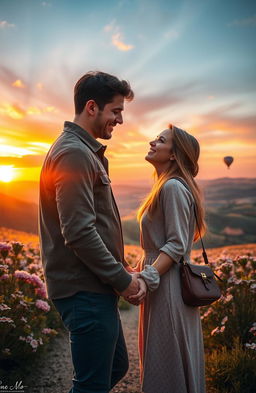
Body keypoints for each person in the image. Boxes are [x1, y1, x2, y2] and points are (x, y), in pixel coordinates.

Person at [39, 71, 145, 393]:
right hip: (84, 290)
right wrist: (123, 280)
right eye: (116, 111)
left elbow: (92, 224)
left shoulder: (84, 151)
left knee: (116, 367)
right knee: (91, 386)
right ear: (91, 107)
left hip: (93, 285)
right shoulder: (74, 153)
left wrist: (119, 267)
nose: (120, 120)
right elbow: (80, 233)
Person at [129, 124, 206, 393]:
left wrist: (147, 278)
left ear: (174, 154)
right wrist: (138, 269)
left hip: (167, 285)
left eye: (160, 140)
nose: (152, 142)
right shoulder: (166, 185)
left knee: (166, 359)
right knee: (165, 357)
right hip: (163, 281)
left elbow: (176, 244)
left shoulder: (172, 187)